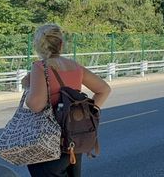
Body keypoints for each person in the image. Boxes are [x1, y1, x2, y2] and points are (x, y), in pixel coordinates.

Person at [22, 24, 111, 177]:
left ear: (38, 46)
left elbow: (36, 105)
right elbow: (104, 90)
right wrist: (86, 114)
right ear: (61, 44)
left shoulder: (40, 67)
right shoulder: (75, 66)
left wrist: (28, 87)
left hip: (49, 142)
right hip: (73, 140)